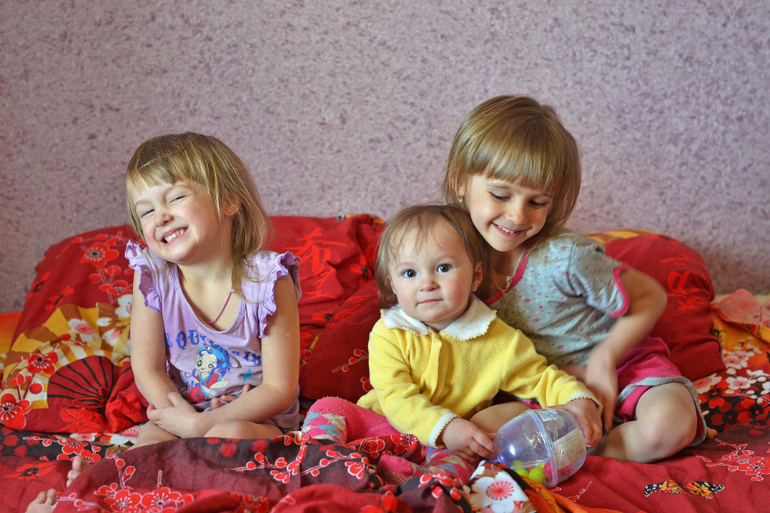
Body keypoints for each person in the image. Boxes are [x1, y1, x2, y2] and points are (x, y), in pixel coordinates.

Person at [28, 132, 302, 513]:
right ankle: (99, 490)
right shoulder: (153, 276)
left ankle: (182, 490)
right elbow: (148, 368)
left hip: (253, 417)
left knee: (227, 435)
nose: (160, 217)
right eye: (145, 211)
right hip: (183, 409)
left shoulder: (268, 280)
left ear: (228, 200)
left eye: (175, 198)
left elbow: (279, 388)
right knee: (150, 441)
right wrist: (183, 419)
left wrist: (203, 427)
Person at [443, 95, 709, 463]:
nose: (517, 216)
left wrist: (605, 358)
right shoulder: (450, 263)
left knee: (670, 425)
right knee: (484, 430)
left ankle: (585, 447)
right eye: (501, 195)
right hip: (545, 389)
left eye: (538, 202)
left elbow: (651, 296)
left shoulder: (566, 258)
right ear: (460, 181)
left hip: (624, 370)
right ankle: (583, 442)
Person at [303, 204, 601, 480]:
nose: (427, 283)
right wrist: (445, 426)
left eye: (443, 268)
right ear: (393, 285)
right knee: (329, 406)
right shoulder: (389, 332)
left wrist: (578, 399)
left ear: (475, 276)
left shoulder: (499, 339)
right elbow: (396, 397)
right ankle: (320, 459)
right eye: (409, 273)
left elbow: (540, 378)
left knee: (463, 462)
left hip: (449, 445)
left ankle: (417, 481)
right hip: (382, 424)